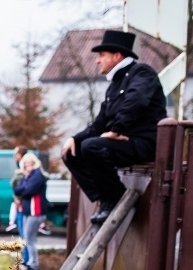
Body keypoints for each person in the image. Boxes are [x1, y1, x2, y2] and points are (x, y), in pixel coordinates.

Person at [61, 30, 167, 224]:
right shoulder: (114, 85)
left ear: (117, 56)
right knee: (71, 152)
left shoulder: (142, 72)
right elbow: (100, 122)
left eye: (102, 55)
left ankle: (115, 199)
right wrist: (75, 138)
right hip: (121, 143)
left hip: (143, 143)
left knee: (93, 146)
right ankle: (107, 198)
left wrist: (116, 130)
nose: (97, 61)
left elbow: (137, 101)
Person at [14, 152, 47, 270]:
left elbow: (29, 191)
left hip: (36, 212)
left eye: (30, 163)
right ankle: (31, 263)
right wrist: (24, 187)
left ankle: (34, 266)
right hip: (28, 211)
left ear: (34, 163)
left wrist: (24, 187)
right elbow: (17, 189)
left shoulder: (37, 175)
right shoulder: (27, 176)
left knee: (29, 239)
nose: (28, 166)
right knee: (27, 238)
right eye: (26, 164)